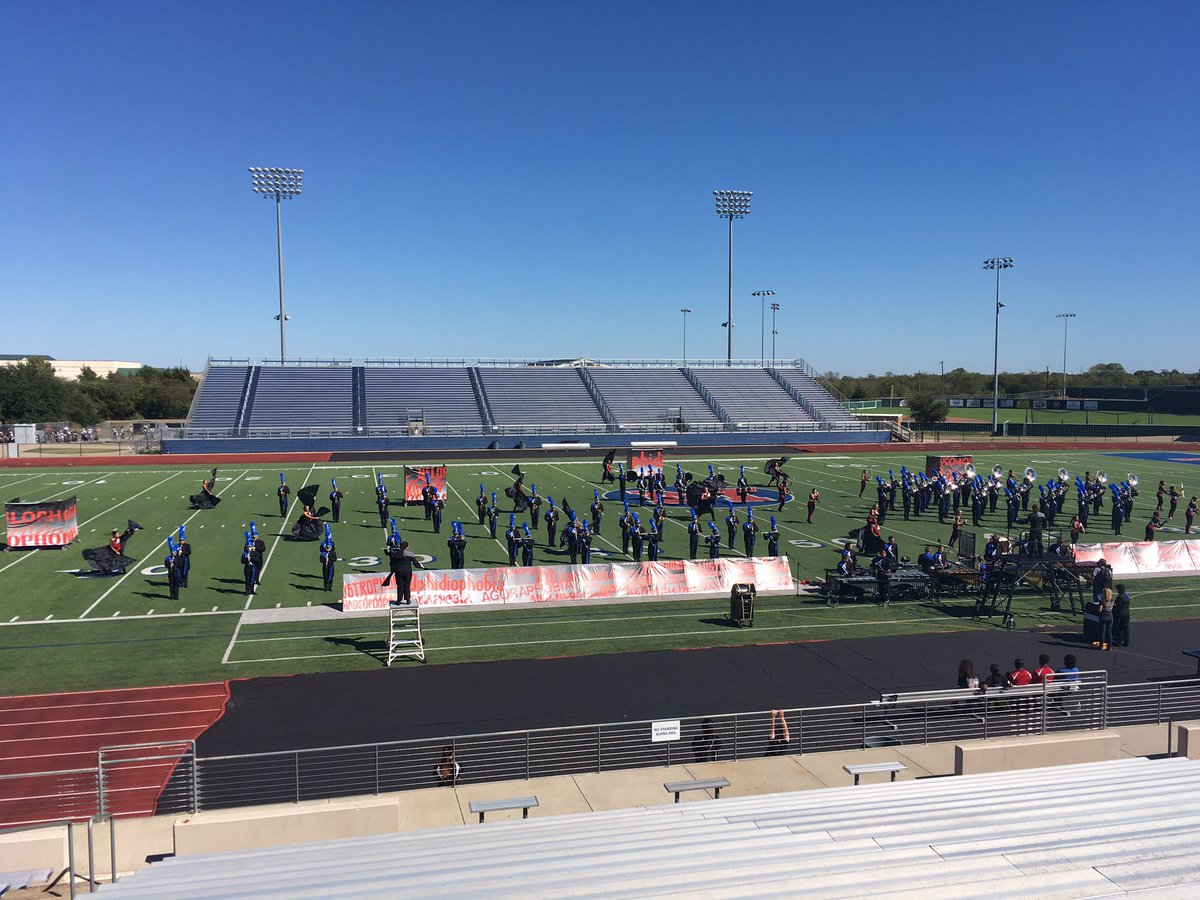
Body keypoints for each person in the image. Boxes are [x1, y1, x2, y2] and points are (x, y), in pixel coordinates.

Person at [382, 540, 424, 605]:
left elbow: (392, 563)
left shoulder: (396, 554)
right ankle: (407, 599)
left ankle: (399, 600)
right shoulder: (411, 554)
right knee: (407, 585)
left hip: (399, 571)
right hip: (407, 571)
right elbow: (415, 563)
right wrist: (421, 566)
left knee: (400, 586)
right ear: (407, 547)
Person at [1112, 583, 1131, 648]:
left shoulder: (1119, 597)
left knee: (1120, 627)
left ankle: (1118, 642)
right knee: (1126, 627)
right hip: (1127, 613)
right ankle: (1126, 642)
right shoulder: (1127, 595)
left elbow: (1117, 606)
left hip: (1121, 614)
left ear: (1119, 590)